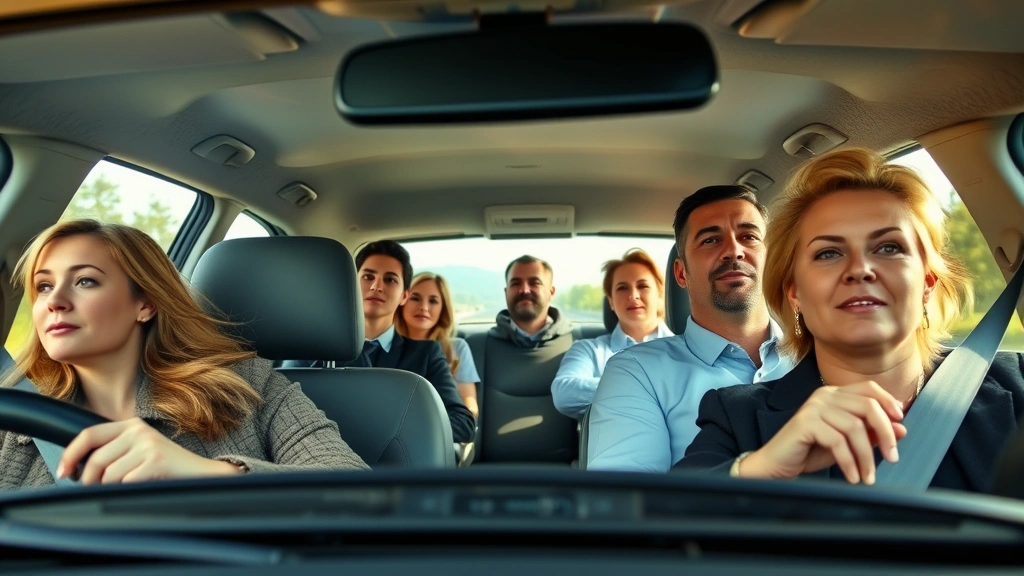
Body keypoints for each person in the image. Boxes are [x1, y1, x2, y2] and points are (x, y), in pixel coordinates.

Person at [678, 148, 1024, 493]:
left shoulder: (1017, 384)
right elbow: (662, 517)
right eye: (829, 253)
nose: (860, 269)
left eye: (888, 248)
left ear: (928, 283)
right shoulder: (738, 417)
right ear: (794, 292)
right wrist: (762, 467)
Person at [0, 219, 368, 490]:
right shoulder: (14, 416)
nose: (55, 302)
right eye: (43, 286)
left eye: (85, 281)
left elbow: (354, 488)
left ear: (144, 303)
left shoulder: (248, 389)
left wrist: (205, 472)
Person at [586, 185, 794, 472]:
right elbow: (628, 502)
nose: (734, 250)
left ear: (772, 259)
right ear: (682, 273)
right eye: (710, 240)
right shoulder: (636, 370)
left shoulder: (821, 355)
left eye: (749, 236)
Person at [283, 241, 476, 443]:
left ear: (404, 296)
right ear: (352, 284)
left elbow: (463, 424)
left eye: (390, 279)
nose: (376, 286)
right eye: (368, 277)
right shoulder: (312, 347)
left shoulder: (426, 353)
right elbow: (279, 411)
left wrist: (392, 436)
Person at [551, 248, 673, 420]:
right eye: (622, 288)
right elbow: (564, 394)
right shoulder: (588, 350)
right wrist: (655, 389)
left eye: (643, 286)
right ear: (611, 301)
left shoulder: (689, 349)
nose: (633, 295)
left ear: (660, 294)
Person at [396, 272, 480, 419]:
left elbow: (470, 407)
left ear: (443, 309)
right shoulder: (385, 346)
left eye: (433, 301)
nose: (424, 307)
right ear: (402, 301)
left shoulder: (457, 349)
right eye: (415, 298)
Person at [490, 255, 573, 348]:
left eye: (534, 283)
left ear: (551, 292)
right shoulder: (479, 347)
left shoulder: (578, 343)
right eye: (516, 283)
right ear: (506, 292)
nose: (525, 290)